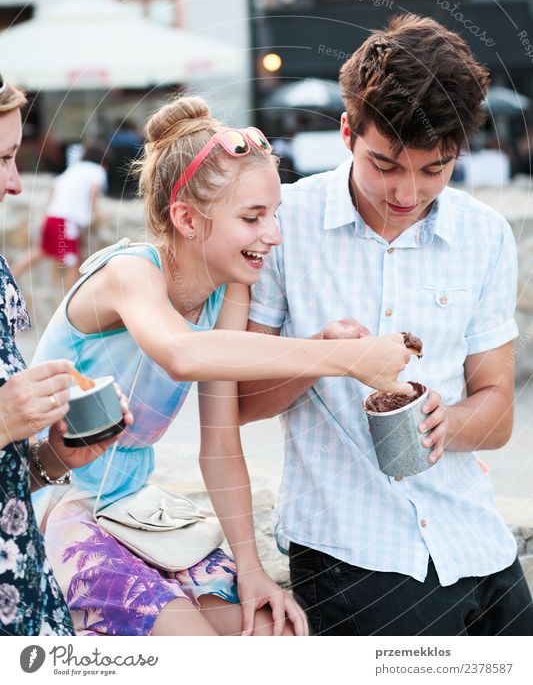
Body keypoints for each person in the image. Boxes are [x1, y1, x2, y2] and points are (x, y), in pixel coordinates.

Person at [31, 95, 415, 637]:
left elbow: (220, 443)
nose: (273, 235)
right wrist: (343, 358)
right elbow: (181, 354)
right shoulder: (127, 274)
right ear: (186, 218)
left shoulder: (229, 288)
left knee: (274, 633)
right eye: (252, 217)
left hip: (133, 508)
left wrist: (253, 569)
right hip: (53, 501)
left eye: (274, 215)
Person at [240, 14, 533, 636]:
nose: (406, 192)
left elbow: (499, 411)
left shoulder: (483, 235)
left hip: (478, 541)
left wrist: (443, 423)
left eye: (435, 170)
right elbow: (240, 401)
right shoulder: (283, 225)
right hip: (352, 549)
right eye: (385, 164)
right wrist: (324, 356)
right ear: (348, 132)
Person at [0, 76, 131, 636]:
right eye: (2, 159)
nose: (12, 183)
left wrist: (54, 458)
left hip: (27, 593)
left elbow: (11, 479)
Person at [13, 140, 108, 290]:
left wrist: (51, 205)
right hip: (65, 222)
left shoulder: (74, 169)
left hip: (52, 216)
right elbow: (94, 190)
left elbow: (54, 185)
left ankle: (11, 276)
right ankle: (72, 301)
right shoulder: (97, 171)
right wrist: (97, 213)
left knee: (42, 251)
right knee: (72, 261)